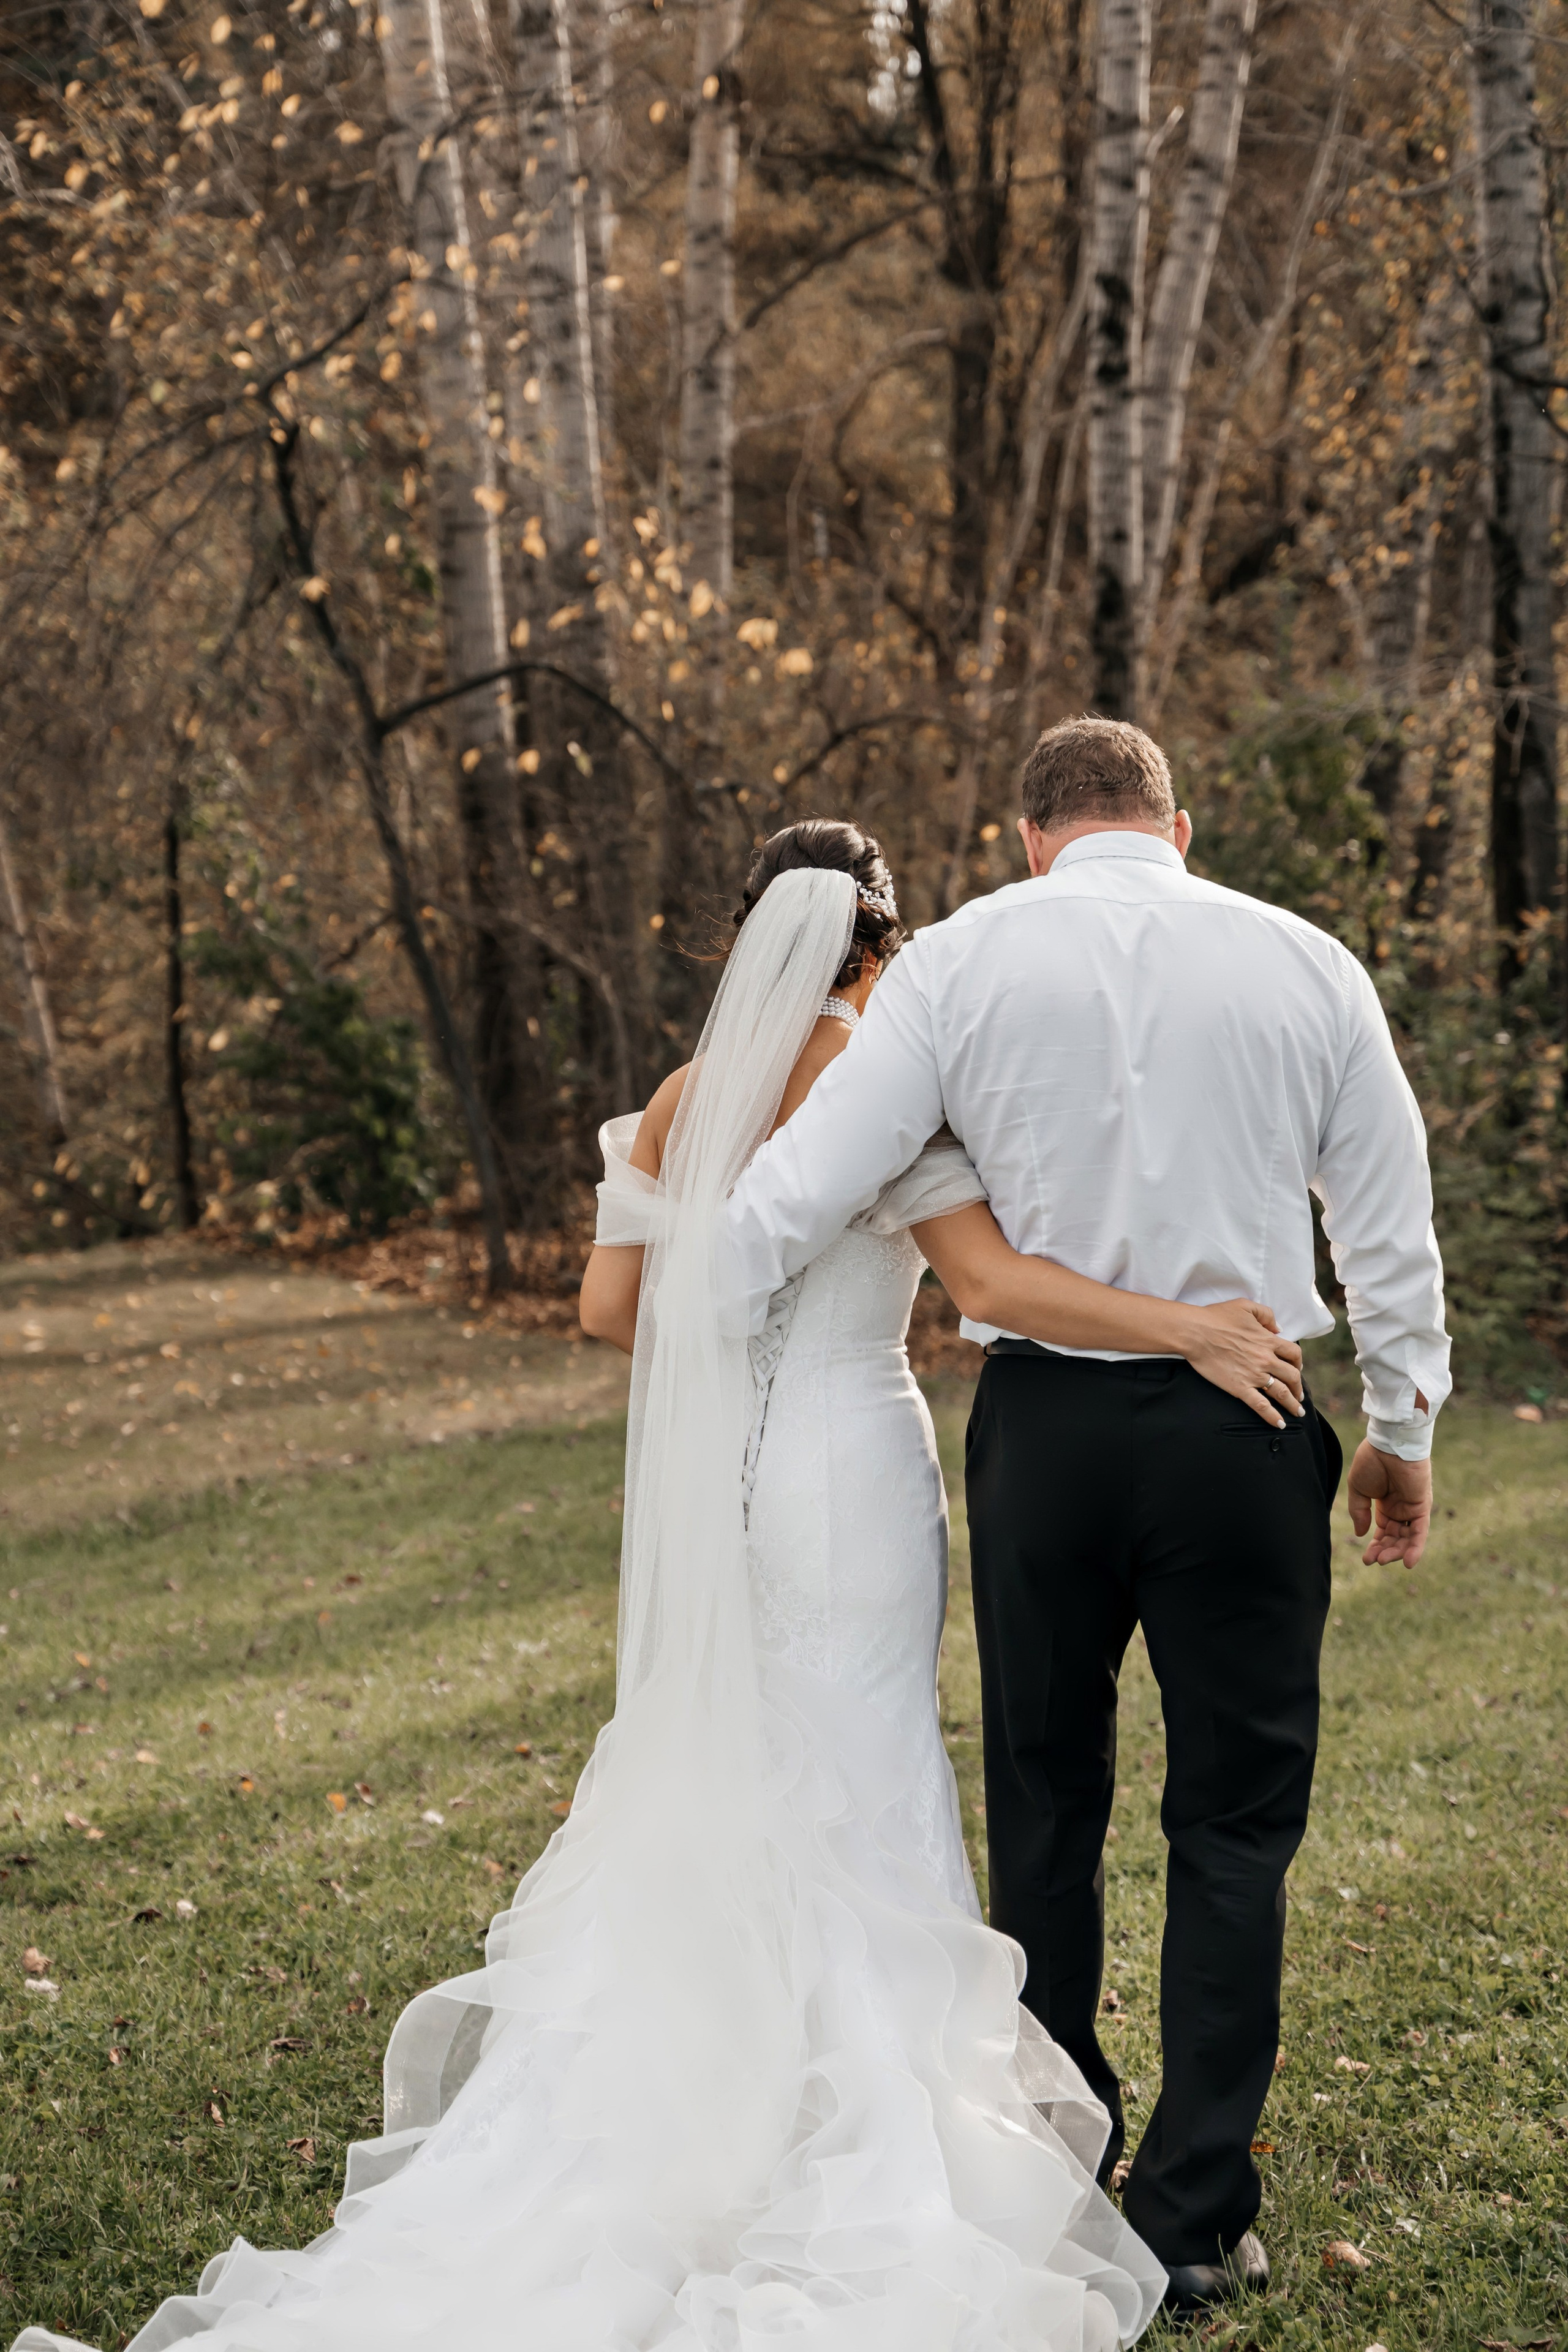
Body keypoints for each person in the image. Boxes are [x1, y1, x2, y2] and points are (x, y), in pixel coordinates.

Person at [15, 820, 1303, 2352]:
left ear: (744, 942)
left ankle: (699, 2103)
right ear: (882, 945)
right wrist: (1190, 1325)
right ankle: (886, 2127)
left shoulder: (690, 1098)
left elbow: (608, 1308)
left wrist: (735, 1356)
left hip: (738, 1480)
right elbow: (989, 1290)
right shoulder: (885, 1076)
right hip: (847, 1460)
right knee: (867, 1767)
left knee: (746, 1766)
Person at [722, 734, 1451, 2314]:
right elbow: (1386, 1218)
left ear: (1033, 836)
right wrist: (1397, 1430)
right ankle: (1191, 2214)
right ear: (1176, 829)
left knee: (1045, 1804)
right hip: (1242, 1416)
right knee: (1232, 1824)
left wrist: (700, 1346)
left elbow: (797, 1189)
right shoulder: (1305, 963)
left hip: (1041, 1433)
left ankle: (1054, 2173)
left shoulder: (964, 959)